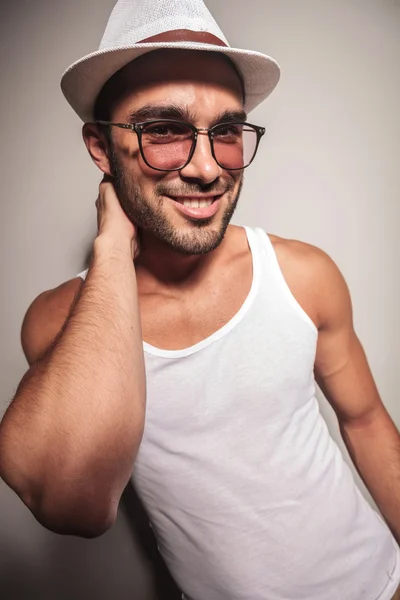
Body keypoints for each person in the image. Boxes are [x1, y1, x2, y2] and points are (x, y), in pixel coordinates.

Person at [0, 1, 399, 599]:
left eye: (227, 132)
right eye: (164, 129)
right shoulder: (61, 322)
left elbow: (366, 423)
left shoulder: (302, 274)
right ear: (101, 149)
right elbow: (71, 504)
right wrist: (111, 247)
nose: (210, 169)